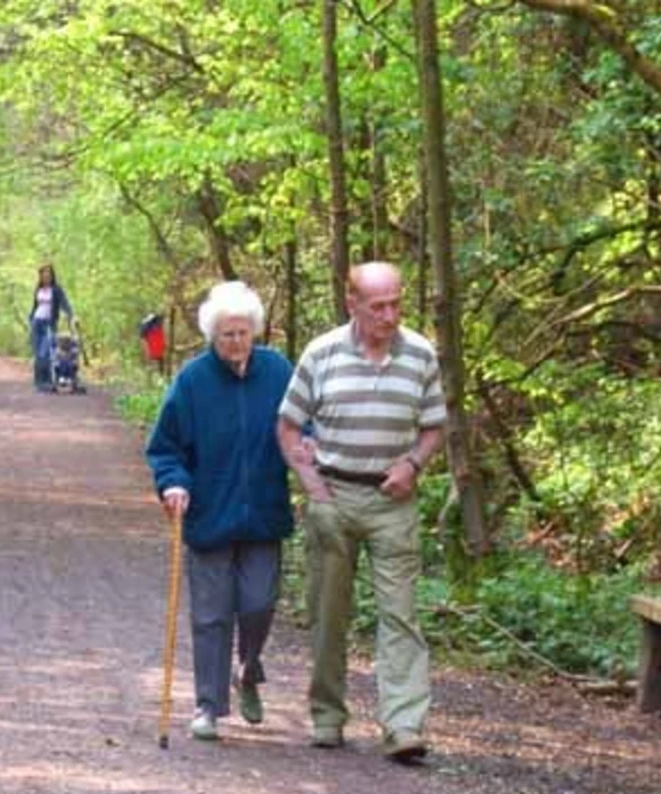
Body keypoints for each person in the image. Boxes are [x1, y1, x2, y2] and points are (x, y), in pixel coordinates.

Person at [276, 261, 447, 762]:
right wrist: (312, 486)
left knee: (401, 616)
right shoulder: (321, 353)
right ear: (352, 303)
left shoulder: (420, 354)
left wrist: (413, 463)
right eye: (379, 306)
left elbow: (435, 425)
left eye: (396, 303)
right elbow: (288, 427)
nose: (389, 315)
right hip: (335, 496)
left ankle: (404, 726)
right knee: (329, 614)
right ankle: (327, 717)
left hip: (394, 501)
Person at [145, 280, 295, 741]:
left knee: (259, 604)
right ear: (213, 335)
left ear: (256, 331)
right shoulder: (192, 381)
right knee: (211, 615)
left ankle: (248, 671)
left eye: (244, 332)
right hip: (209, 516)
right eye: (228, 334)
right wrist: (173, 484)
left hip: (263, 515)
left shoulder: (278, 372)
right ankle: (208, 706)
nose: (236, 341)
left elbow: (302, 428)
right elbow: (165, 447)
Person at [28, 264, 75, 392]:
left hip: (49, 323)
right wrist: (30, 320)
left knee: (46, 353)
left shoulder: (56, 289)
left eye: (48, 274)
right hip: (37, 323)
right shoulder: (38, 289)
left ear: (52, 276)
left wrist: (72, 316)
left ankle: (47, 382)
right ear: (41, 276)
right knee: (38, 354)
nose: (46, 276)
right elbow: (35, 306)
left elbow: (65, 304)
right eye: (43, 274)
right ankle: (38, 383)